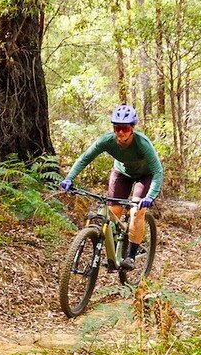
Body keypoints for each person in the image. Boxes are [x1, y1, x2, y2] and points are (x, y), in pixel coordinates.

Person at [59, 104, 162, 269]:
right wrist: (69, 178)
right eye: (117, 127)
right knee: (113, 212)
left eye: (125, 128)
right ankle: (114, 253)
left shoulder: (142, 144)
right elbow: (85, 158)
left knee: (136, 212)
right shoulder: (106, 140)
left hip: (145, 175)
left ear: (132, 128)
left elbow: (157, 171)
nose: (120, 132)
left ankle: (131, 256)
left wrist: (150, 196)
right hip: (121, 173)